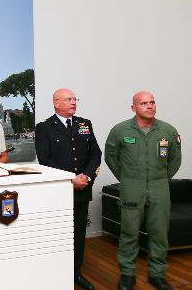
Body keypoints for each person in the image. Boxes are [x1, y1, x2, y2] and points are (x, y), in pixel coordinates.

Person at [105, 91, 181, 290]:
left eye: (152, 102)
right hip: (131, 186)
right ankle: (127, 275)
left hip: (159, 186)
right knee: (129, 233)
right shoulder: (120, 130)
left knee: (159, 234)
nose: (150, 106)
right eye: (144, 103)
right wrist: (127, 178)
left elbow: (174, 160)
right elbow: (111, 157)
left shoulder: (168, 130)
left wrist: (161, 178)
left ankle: (157, 275)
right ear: (133, 108)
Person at [35, 88, 101, 290]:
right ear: (56, 103)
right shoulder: (44, 127)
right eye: (68, 99)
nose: (73, 102)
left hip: (82, 188)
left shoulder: (84, 124)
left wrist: (87, 177)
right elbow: (44, 159)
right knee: (56, 233)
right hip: (58, 191)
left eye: (74, 99)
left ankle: (76, 272)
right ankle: (55, 274)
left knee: (78, 233)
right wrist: (71, 178)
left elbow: (95, 155)